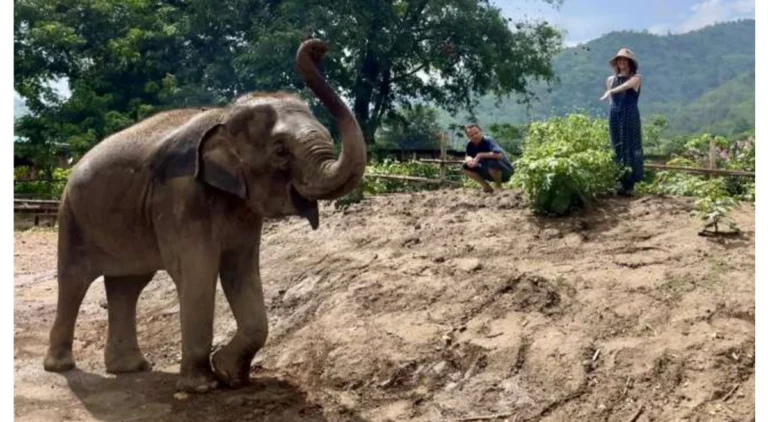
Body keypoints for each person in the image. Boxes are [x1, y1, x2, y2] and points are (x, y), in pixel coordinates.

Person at [600, 47, 644, 196]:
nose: (622, 62)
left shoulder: (636, 78)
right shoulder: (610, 80)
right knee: (617, 145)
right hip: (615, 114)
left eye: (625, 60)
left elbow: (625, 86)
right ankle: (619, 182)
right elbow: (612, 100)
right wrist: (610, 93)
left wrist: (610, 91)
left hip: (630, 114)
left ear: (630, 63)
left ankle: (630, 184)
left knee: (631, 145)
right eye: (619, 60)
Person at [461, 124, 514, 193]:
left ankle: (498, 186)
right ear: (468, 137)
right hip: (487, 171)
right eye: (471, 135)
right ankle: (486, 187)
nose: (475, 136)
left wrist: (479, 155)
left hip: (505, 172)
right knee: (465, 167)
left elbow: (499, 155)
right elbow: (468, 155)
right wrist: (469, 160)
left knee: (492, 161)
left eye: (476, 133)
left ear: (481, 132)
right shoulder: (469, 144)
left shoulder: (488, 140)